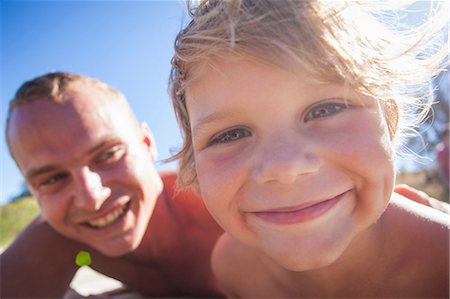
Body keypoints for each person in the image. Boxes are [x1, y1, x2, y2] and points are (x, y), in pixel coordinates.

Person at [168, 0, 450, 298]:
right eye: (231, 135)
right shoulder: (232, 268)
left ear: (389, 119)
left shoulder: (442, 259)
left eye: (326, 109)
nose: (284, 167)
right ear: (194, 167)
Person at [1, 72, 225, 298]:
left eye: (108, 154)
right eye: (53, 179)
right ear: (32, 190)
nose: (91, 198)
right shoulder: (65, 236)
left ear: (147, 143)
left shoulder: (221, 205)